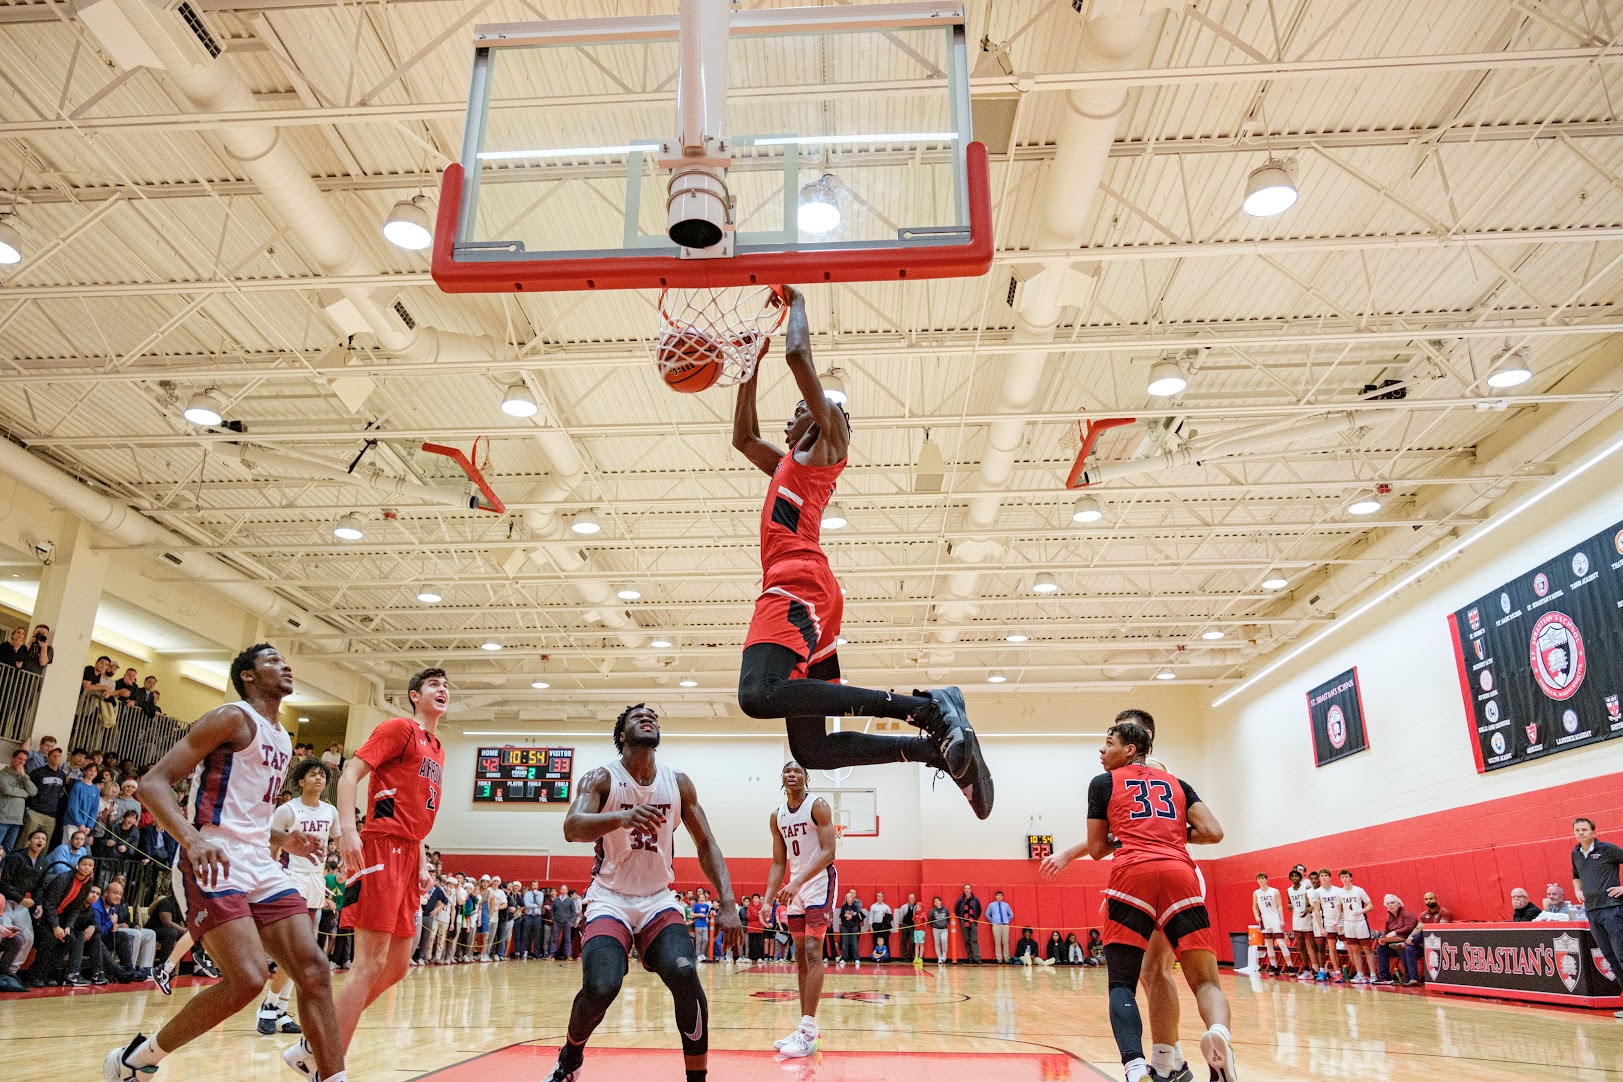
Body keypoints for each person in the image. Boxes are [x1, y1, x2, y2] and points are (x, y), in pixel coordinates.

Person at [731, 286, 990, 817]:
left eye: (801, 406)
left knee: (758, 693)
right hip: (809, 591)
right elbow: (743, 436)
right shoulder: (790, 465)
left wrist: (794, 303)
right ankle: (935, 753)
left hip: (796, 583)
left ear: (827, 415)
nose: (790, 418)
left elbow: (800, 356)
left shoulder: (829, 447)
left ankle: (923, 710)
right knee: (812, 749)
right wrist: (748, 361)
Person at [103, 643, 345, 1082]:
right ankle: (137, 1059)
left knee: (313, 969)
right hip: (213, 858)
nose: (285, 666)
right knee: (249, 979)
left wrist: (281, 838)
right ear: (248, 676)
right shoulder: (231, 717)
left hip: (259, 859)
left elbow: (243, 811)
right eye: (272, 660)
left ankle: (330, 1075)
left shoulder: (282, 737)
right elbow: (153, 783)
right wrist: (192, 840)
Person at [544, 703, 742, 1082]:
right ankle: (570, 1059)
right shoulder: (602, 779)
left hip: (657, 900)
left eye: (653, 715)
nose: (648, 717)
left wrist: (727, 901)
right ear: (622, 735)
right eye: (638, 716)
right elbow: (572, 826)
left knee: (685, 975)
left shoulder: (677, 782)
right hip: (609, 899)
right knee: (601, 987)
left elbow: (707, 844)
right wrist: (620, 816)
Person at [1041, 720, 1236, 1082]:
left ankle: (1135, 1067)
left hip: (1133, 876)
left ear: (1132, 747)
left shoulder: (1103, 783)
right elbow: (1214, 831)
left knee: (1123, 983)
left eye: (1108, 742)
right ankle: (1218, 1037)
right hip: (1181, 873)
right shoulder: (1177, 782)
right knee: (1206, 981)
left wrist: (1130, 835)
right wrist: (1172, 832)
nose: (1102, 750)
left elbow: (1098, 849)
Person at [308, 667, 446, 1072]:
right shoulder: (399, 728)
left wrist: (421, 862)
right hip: (380, 846)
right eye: (434, 685)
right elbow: (350, 772)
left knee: (397, 966)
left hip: (408, 853)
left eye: (446, 686)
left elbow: (416, 812)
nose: (443, 690)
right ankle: (328, 1065)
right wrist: (349, 830)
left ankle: (318, 1037)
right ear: (413, 695)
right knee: (369, 962)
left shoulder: (436, 746)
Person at [765, 759, 837, 1057]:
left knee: (812, 951)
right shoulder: (776, 816)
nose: (791, 774)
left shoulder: (817, 806)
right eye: (786, 771)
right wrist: (768, 899)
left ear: (806, 778)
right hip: (794, 886)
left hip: (819, 882)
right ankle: (806, 1028)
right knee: (799, 956)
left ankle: (808, 1030)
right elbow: (779, 862)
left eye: (797, 771)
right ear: (782, 779)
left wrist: (797, 883)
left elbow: (829, 853)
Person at [263, 759, 340, 1036]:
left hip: (315, 884)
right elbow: (271, 845)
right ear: (301, 781)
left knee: (303, 953)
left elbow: (340, 842)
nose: (319, 779)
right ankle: (270, 1006)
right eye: (313, 775)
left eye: (323, 776)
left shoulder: (331, 811)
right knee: (297, 949)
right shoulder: (287, 810)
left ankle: (279, 1009)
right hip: (289, 879)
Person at [1571, 816, 1623, 1017]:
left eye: (1584, 829)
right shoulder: (1575, 853)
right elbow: (1576, 875)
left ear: (1593, 832)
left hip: (1613, 910)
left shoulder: (1607, 849)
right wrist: (1577, 890)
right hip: (1592, 912)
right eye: (1577, 830)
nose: (1581, 833)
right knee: (1611, 958)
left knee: (1621, 956)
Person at [0, 828, 45, 988]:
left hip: (21, 904)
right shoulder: (16, 858)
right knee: (4, 935)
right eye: (37, 837)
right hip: (5, 901)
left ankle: (11, 971)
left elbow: (39, 887)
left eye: (43, 839)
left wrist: (38, 903)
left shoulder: (41, 862)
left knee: (27, 937)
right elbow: (3, 883)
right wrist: (22, 899)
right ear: (29, 841)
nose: (40, 841)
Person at [98, 878, 156, 979]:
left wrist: (134, 925)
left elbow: (127, 920)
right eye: (115, 893)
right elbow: (100, 928)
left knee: (150, 933)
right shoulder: (100, 905)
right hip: (104, 935)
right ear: (106, 892)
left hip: (114, 930)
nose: (118, 896)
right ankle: (130, 968)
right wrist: (115, 923)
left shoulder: (123, 903)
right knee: (133, 934)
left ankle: (145, 967)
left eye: (120, 894)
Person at [1337, 869, 1375, 984]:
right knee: (1354, 950)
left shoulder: (1359, 890)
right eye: (1343, 877)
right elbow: (1339, 908)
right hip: (1348, 923)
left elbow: (1370, 905)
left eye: (1347, 877)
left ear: (1351, 878)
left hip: (1360, 922)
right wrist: (1336, 921)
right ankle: (1360, 974)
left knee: (1367, 949)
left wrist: (1361, 911)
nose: (1345, 879)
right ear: (1340, 879)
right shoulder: (1340, 893)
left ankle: (1373, 974)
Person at [23, 744, 67, 845]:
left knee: (43, 845)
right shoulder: (38, 772)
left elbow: (60, 793)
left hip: (51, 815)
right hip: (35, 812)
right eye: (54, 756)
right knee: (27, 841)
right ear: (47, 758)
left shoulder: (62, 774)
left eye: (59, 756)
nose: (57, 758)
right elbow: (30, 790)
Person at [1371, 895, 1420, 986]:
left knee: (1400, 947)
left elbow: (1410, 928)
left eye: (1392, 903)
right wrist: (1383, 939)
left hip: (1410, 943)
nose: (1390, 905)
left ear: (1399, 903)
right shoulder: (1388, 917)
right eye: (1388, 903)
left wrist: (1395, 932)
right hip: (1394, 943)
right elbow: (1386, 931)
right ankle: (1385, 977)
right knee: (1380, 949)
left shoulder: (1407, 914)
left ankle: (1409, 976)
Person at [0, 748, 37, 854]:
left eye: (24, 760)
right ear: (12, 758)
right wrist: (24, 793)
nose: (21, 762)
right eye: (19, 759)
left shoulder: (24, 777)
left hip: (17, 820)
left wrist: (24, 776)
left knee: (8, 849)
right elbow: (6, 789)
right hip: (3, 818)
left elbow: (33, 791)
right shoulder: (3, 774)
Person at [1251, 872, 1288, 974]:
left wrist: (1282, 919)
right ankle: (1273, 966)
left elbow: (1280, 906)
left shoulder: (1274, 891)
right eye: (1259, 879)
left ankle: (1290, 966)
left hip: (1275, 919)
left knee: (1281, 943)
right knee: (1268, 944)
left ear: (1267, 880)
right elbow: (1254, 906)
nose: (1261, 880)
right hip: (1265, 921)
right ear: (1257, 881)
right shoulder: (1256, 893)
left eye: (1263, 878)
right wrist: (1256, 916)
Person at [1287, 867, 1319, 981]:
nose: (1295, 878)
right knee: (1301, 946)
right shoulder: (1289, 890)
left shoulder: (1306, 887)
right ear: (1290, 878)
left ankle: (1316, 968)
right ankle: (1306, 969)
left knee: (1312, 944)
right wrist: (1289, 906)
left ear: (1300, 877)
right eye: (1293, 876)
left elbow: (1310, 903)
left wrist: (1308, 910)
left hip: (1307, 918)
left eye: (1297, 876)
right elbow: (1289, 904)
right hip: (1296, 919)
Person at [954, 884, 982, 963]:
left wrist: (974, 918)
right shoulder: (960, 900)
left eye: (968, 888)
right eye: (966, 888)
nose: (967, 890)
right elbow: (957, 910)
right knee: (967, 941)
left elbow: (979, 910)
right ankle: (970, 958)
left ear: (971, 889)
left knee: (974, 940)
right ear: (964, 890)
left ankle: (977, 958)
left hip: (973, 921)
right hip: (964, 922)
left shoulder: (975, 900)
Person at [837, 889, 865, 967]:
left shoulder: (855, 906)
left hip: (854, 926)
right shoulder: (843, 907)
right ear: (846, 899)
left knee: (854, 943)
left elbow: (857, 916)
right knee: (844, 943)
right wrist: (846, 916)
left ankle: (856, 958)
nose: (849, 899)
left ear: (852, 899)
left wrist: (851, 916)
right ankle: (843, 958)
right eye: (847, 898)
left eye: (850, 897)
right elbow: (841, 916)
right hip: (845, 926)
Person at [987, 890, 1013, 963]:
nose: (999, 897)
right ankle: (999, 958)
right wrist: (993, 921)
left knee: (1005, 942)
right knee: (997, 942)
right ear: (995, 896)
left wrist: (1006, 920)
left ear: (1002, 897)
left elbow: (1011, 914)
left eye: (1000, 895)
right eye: (997, 895)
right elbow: (987, 914)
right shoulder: (991, 905)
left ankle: (1006, 958)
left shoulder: (1006, 905)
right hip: (996, 925)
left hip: (1005, 925)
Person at [868, 890, 893, 961]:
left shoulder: (886, 907)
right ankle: (875, 958)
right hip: (876, 925)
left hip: (884, 926)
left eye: (881, 896)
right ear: (876, 897)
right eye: (878, 896)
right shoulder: (873, 906)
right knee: (876, 941)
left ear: (883, 897)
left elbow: (891, 917)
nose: (880, 897)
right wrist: (871, 926)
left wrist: (886, 915)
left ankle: (886, 957)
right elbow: (871, 917)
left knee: (885, 941)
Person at [896, 893, 919, 964]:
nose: (911, 900)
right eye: (910, 898)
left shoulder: (917, 907)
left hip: (913, 926)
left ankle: (909, 956)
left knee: (912, 941)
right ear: (908, 899)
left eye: (913, 898)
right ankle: (904, 957)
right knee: (904, 941)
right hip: (905, 925)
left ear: (915, 899)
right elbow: (901, 916)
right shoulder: (904, 907)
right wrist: (902, 923)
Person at [927, 896, 949, 962]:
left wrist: (944, 924)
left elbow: (948, 919)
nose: (936, 902)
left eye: (937, 901)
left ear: (940, 902)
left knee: (944, 940)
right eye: (935, 901)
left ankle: (944, 954)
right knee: (937, 943)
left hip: (944, 929)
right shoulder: (932, 911)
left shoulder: (945, 910)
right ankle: (939, 957)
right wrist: (934, 925)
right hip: (936, 929)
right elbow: (930, 919)